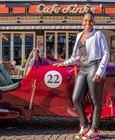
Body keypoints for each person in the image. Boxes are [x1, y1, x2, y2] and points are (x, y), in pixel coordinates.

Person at [53, 11, 109, 140]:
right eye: (86, 21)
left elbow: (106, 53)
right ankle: (84, 126)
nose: (88, 23)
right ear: (82, 22)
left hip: (94, 66)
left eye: (90, 21)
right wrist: (64, 64)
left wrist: (99, 72)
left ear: (94, 22)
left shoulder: (98, 35)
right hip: (83, 68)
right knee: (76, 98)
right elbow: (77, 56)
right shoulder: (79, 36)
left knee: (96, 100)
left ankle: (95, 130)